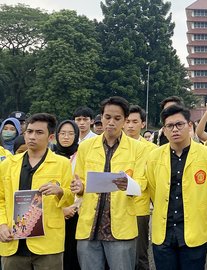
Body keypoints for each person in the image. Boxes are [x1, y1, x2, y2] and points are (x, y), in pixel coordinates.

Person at [70, 96, 147, 270]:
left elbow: (142, 183)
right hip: (90, 226)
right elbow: (79, 180)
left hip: (120, 226)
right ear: (101, 117)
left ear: (125, 121)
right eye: (107, 117)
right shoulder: (85, 147)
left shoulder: (139, 149)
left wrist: (129, 185)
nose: (111, 122)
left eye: (117, 118)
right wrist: (79, 188)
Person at [145, 104, 207, 270]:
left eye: (179, 124)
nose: (175, 129)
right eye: (169, 126)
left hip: (194, 233)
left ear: (189, 126)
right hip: (163, 235)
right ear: (164, 130)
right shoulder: (154, 157)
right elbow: (153, 191)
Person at [0, 113, 74, 269]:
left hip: (48, 242)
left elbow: (71, 198)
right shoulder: (8, 164)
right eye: (29, 131)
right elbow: (1, 199)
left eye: (39, 132)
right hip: (13, 241)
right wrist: (2, 225)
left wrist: (60, 191)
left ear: (51, 137)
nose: (32, 136)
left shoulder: (62, 163)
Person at [124, 105, 158, 270]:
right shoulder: (115, 145)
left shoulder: (152, 149)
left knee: (140, 255)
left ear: (143, 124)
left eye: (134, 121)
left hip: (139, 207)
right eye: (127, 121)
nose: (130, 125)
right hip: (115, 206)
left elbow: (150, 178)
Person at [53, 120, 81, 270]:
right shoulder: (50, 156)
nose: (66, 137)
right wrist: (62, 209)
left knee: (73, 253)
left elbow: (82, 183)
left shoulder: (81, 155)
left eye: (71, 133)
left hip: (77, 212)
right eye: (62, 133)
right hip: (56, 212)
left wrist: (74, 207)